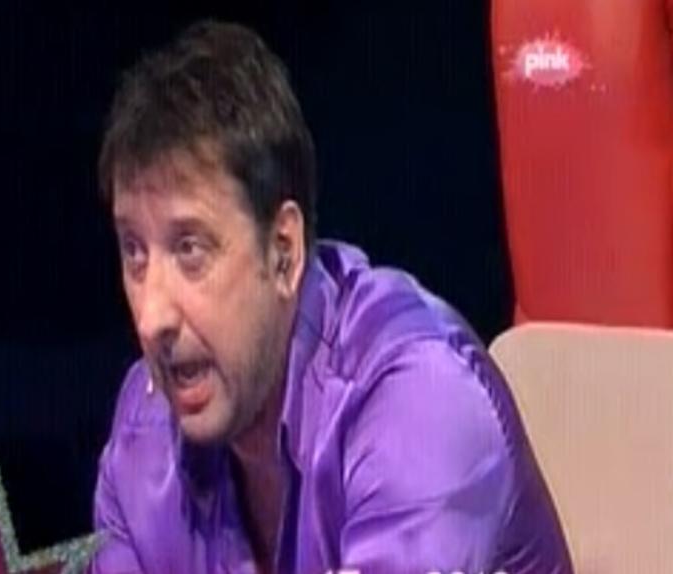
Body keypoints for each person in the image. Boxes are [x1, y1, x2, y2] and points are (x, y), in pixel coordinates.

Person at [91, 20, 572, 574]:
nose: (151, 318)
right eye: (135, 253)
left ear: (284, 251)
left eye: (190, 249)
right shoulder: (142, 436)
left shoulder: (418, 396)